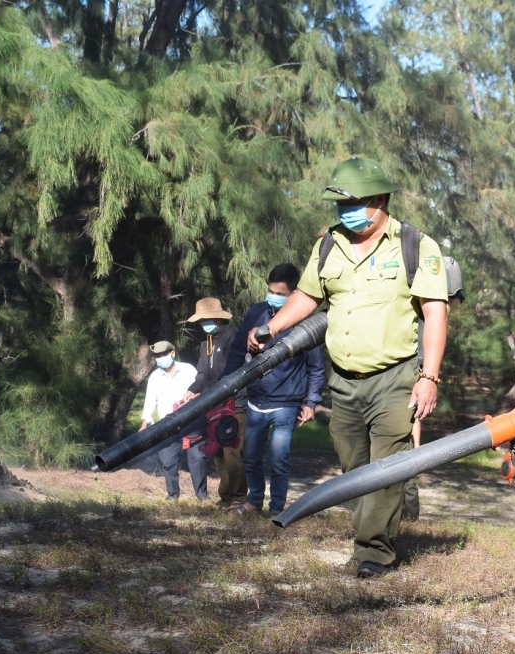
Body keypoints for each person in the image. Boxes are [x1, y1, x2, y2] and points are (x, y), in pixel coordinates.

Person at [249, 156, 449, 578]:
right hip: (344, 379)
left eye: (352, 204)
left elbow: (435, 313)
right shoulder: (329, 244)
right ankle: (372, 527)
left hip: (395, 376)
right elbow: (307, 297)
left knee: (389, 467)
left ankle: (373, 552)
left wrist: (429, 377)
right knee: (353, 468)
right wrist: (272, 327)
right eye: (339, 206)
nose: (345, 213)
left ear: (379, 200)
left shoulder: (415, 244)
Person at [223, 263, 326, 518]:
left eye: (280, 293)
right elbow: (237, 351)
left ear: (294, 295)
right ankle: (254, 500)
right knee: (251, 457)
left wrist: (311, 402)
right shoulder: (256, 313)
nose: (274, 296)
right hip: (256, 401)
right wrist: (227, 385)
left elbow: (316, 367)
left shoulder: (304, 323)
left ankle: (277, 508)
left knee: (279, 459)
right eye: (271, 291)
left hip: (286, 405)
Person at [184, 297, 248, 506]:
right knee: (218, 453)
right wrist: (193, 390)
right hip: (213, 406)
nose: (204, 324)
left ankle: (239, 498)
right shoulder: (205, 342)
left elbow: (230, 374)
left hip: (234, 404)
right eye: (201, 320)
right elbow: (202, 373)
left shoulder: (233, 338)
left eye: (206, 319)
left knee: (233, 453)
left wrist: (207, 394)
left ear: (217, 318)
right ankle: (226, 498)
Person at [139, 341, 200, 500]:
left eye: (163, 355)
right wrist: (145, 423)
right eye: (157, 356)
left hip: (191, 422)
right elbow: (150, 401)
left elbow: (201, 390)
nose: (160, 359)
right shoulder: (155, 376)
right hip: (166, 425)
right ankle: (173, 495)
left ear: (172, 353)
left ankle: (202, 497)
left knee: (197, 459)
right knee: (168, 461)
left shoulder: (188, 370)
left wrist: (194, 396)